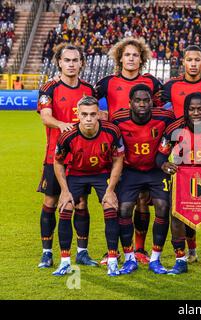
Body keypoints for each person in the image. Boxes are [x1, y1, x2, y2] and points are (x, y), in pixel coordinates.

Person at [95, 37, 163, 264]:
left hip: (144, 151)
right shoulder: (107, 82)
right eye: (127, 55)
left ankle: (140, 250)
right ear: (120, 58)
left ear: (141, 59)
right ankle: (112, 250)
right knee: (116, 201)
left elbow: (165, 109)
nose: (131, 58)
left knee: (143, 201)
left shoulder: (152, 83)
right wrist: (101, 116)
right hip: (116, 150)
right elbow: (84, 99)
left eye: (135, 55)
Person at [161, 45, 201, 264]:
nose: (193, 63)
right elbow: (153, 106)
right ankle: (189, 252)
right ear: (183, 62)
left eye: (197, 59)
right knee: (183, 210)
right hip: (183, 159)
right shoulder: (171, 86)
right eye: (189, 59)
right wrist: (164, 163)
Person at [155, 92, 201, 277]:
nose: (196, 112)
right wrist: (164, 164)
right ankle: (180, 260)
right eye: (192, 109)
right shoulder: (174, 128)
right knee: (177, 217)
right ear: (186, 110)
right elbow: (160, 154)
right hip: (183, 178)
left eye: (200, 109)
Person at [36, 43, 96, 269]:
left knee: (81, 203)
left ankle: (82, 252)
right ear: (59, 62)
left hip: (82, 159)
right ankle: (47, 252)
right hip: (55, 157)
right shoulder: (49, 88)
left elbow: (98, 116)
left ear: (81, 63)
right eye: (67, 60)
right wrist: (65, 125)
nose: (71, 64)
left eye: (75, 60)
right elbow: (46, 117)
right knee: (50, 202)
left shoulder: (89, 89)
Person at [52, 96, 124, 276]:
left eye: (93, 114)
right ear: (78, 115)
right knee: (66, 207)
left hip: (102, 173)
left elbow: (118, 160)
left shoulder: (112, 131)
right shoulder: (67, 135)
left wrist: (110, 190)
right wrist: (64, 191)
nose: (89, 118)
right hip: (76, 174)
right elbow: (58, 162)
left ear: (99, 114)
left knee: (110, 206)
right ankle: (65, 262)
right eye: (84, 114)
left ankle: (113, 261)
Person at [111, 84, 175, 275]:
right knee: (124, 209)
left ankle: (156, 258)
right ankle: (130, 257)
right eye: (137, 100)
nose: (142, 104)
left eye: (146, 100)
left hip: (156, 169)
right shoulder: (118, 119)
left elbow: (178, 132)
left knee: (163, 207)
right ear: (130, 102)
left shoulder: (165, 117)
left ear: (152, 101)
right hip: (130, 171)